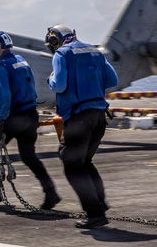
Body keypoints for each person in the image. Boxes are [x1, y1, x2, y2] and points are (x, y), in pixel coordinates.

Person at [0, 31, 61, 210]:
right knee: (28, 156)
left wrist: (0, 121)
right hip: (31, 115)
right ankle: (50, 191)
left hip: (15, 117)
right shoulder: (21, 60)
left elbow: (5, 97)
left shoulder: (1, 67)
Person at [45, 25, 119, 229]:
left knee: (71, 164)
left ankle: (95, 214)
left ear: (54, 40)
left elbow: (59, 85)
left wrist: (50, 79)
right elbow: (113, 80)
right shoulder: (95, 51)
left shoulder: (61, 54)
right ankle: (100, 204)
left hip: (79, 117)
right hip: (99, 116)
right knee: (85, 161)